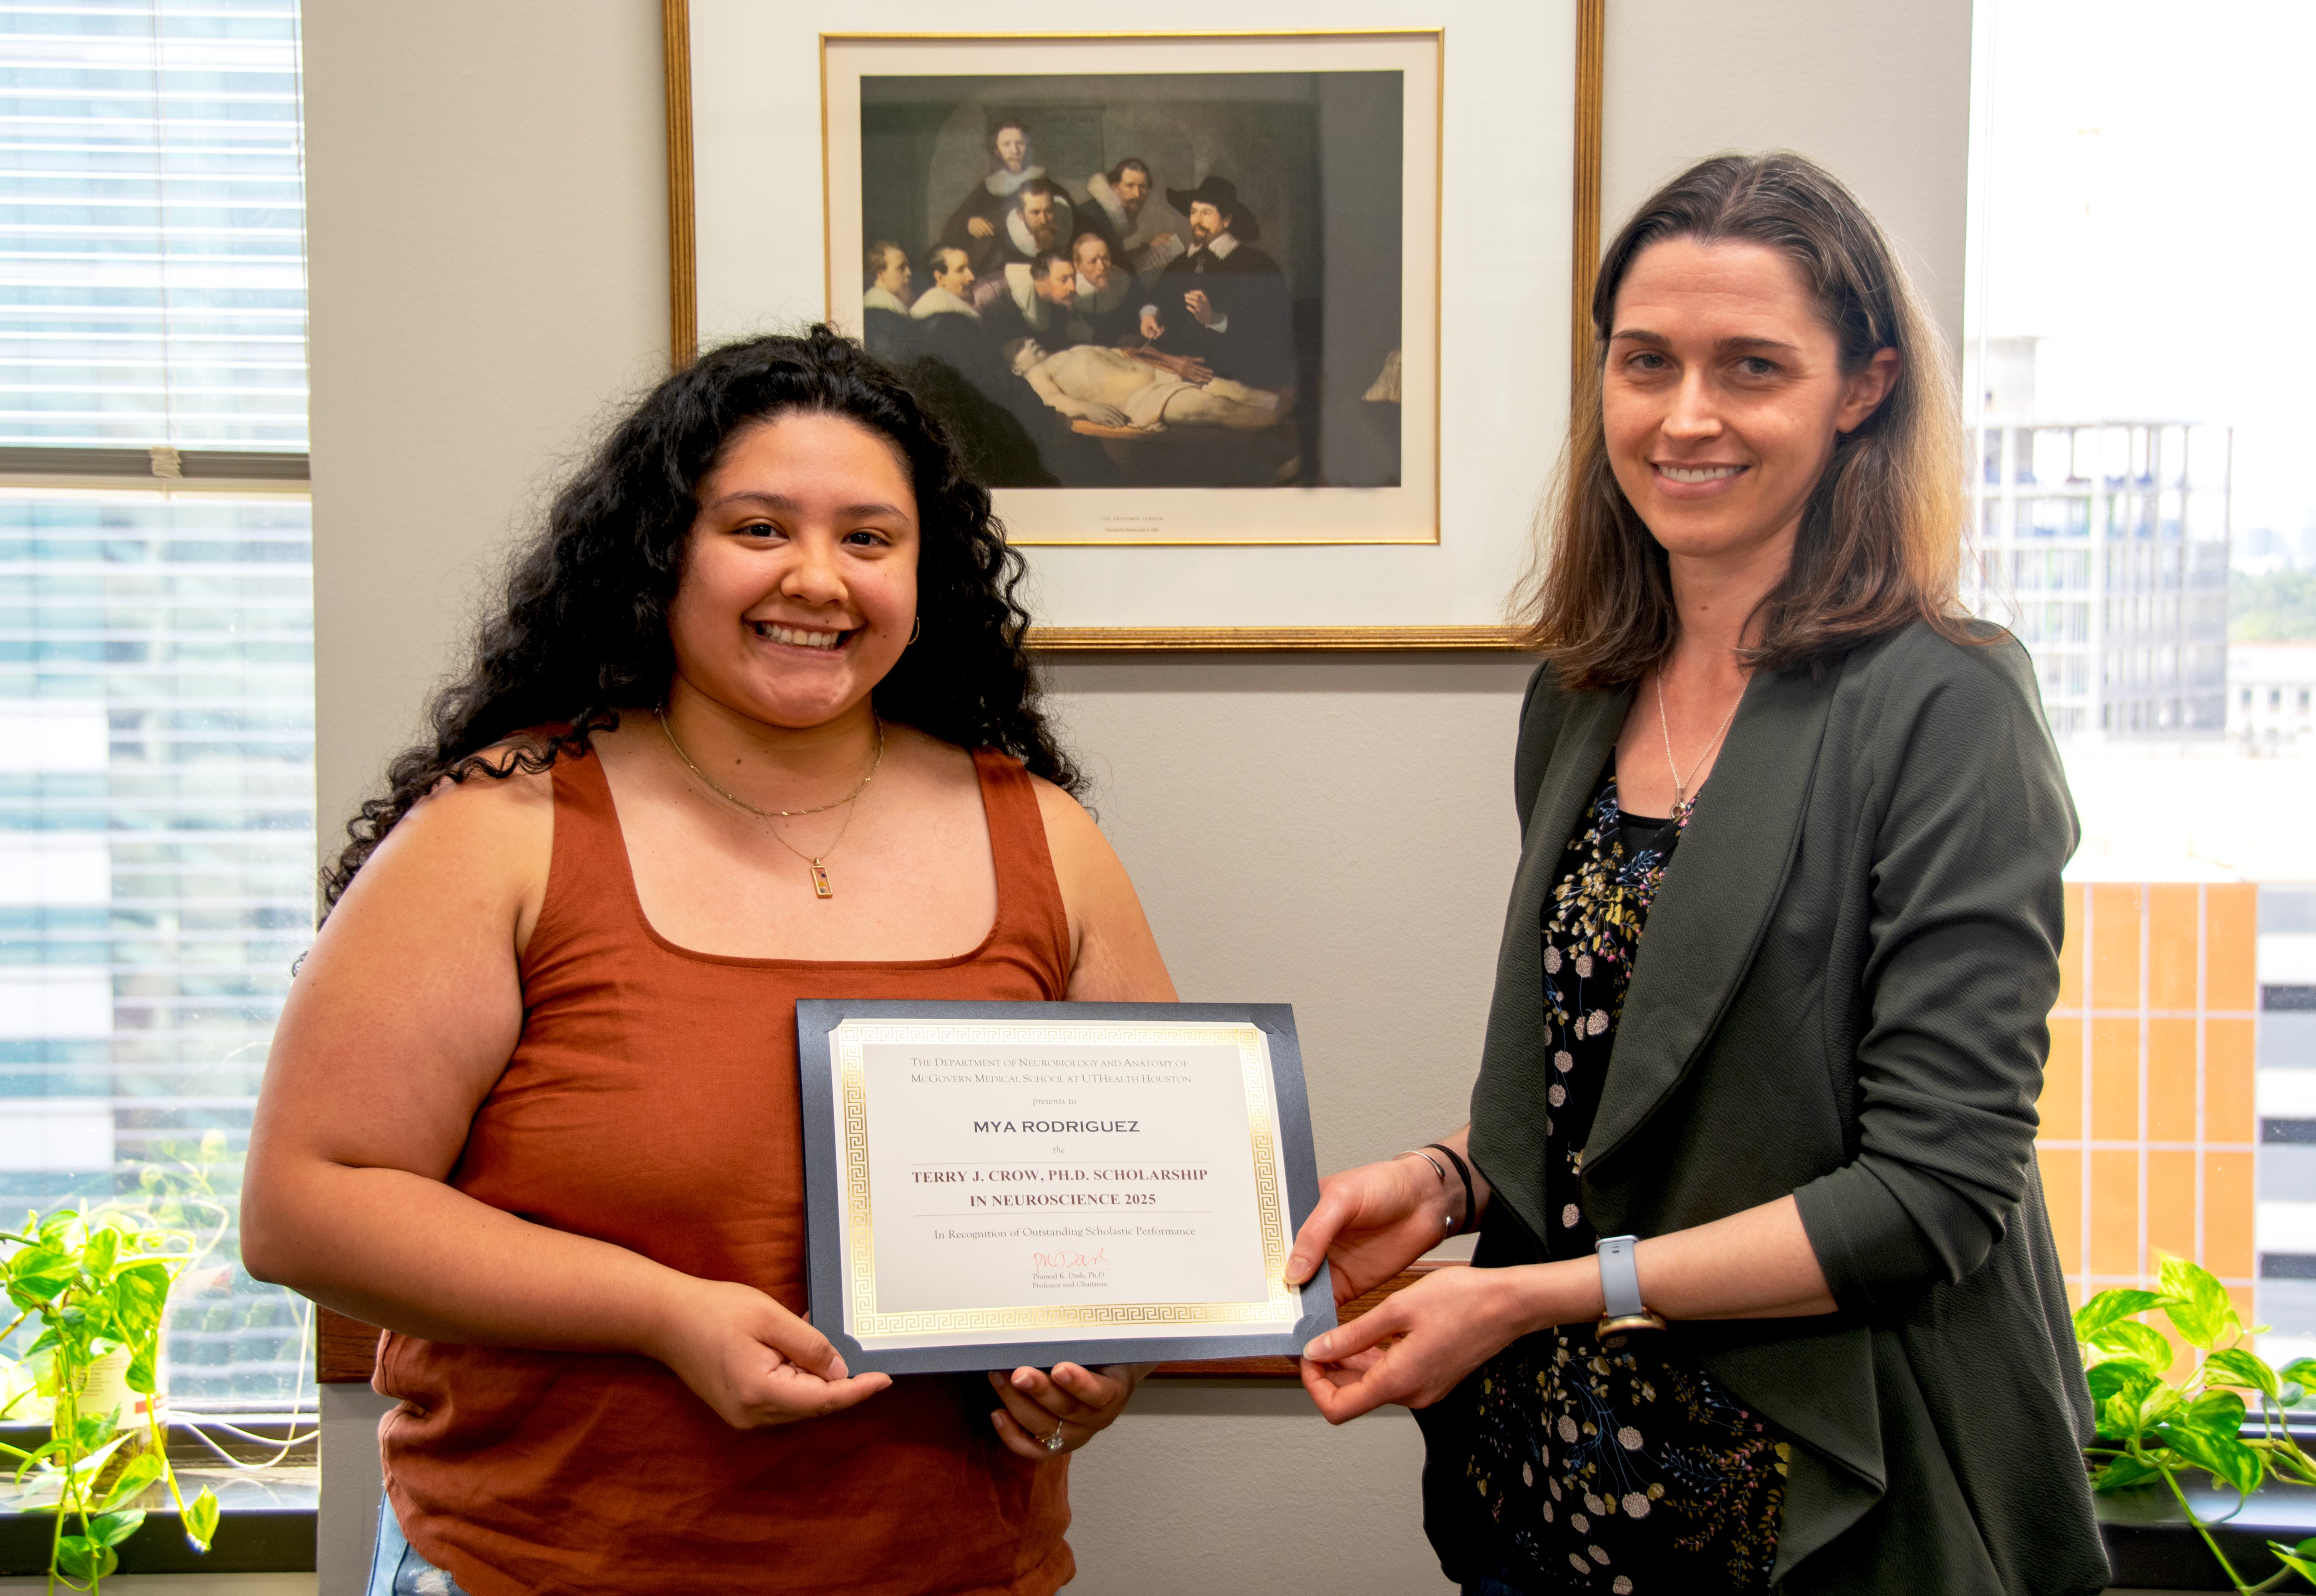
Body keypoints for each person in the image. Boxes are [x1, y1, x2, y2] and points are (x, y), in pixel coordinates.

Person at [241, 329, 1177, 1596]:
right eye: (756, 528)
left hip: (953, 1573)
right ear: (661, 553)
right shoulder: (498, 831)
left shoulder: (1045, 840)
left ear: (923, 571)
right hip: (543, 1568)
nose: (816, 579)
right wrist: (660, 1312)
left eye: (866, 537)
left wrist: (1097, 1367)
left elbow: (1154, 1229)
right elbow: (305, 1203)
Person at [1286, 152, 2107, 1596]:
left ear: (1862, 388)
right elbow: (1637, 1074)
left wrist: (1541, 1294)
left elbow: (1932, 1193)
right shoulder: (1583, 692)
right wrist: (1451, 1184)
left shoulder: (1948, 704)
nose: (1687, 416)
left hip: (1827, 1489)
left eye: (1753, 366)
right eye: (1646, 361)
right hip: (1574, 1483)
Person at [1139, 175, 1292, 392]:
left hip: (1234, 375)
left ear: (1227, 220)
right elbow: (1157, 297)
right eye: (1193, 212)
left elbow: (1272, 327)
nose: (1196, 221)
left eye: (1206, 213)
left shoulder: (1256, 264)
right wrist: (1149, 315)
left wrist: (1214, 319)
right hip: (1178, 368)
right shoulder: (1182, 262)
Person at [1002, 335, 1279, 432]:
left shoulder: (1072, 351)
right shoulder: (1037, 374)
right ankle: (1292, 428)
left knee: (1239, 390)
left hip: (1162, 376)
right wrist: (1089, 410)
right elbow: (1054, 400)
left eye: (1027, 338)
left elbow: (1130, 354)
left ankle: (1292, 413)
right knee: (1217, 405)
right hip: (1141, 400)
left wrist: (1170, 361)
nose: (1028, 342)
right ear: (1017, 369)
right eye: (1020, 346)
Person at [943, 121, 1072, 278]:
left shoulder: (1044, 182)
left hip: (1040, 262)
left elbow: (1070, 220)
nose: (1015, 151)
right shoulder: (988, 187)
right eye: (1007, 145)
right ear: (997, 151)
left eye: (1020, 144)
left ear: (1028, 147)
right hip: (998, 266)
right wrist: (969, 224)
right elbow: (951, 229)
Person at [1077, 157, 1185, 280]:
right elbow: (1110, 269)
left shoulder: (1111, 216)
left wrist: (1149, 247)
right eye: (1130, 186)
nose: (1137, 194)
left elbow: (1115, 258)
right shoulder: (1095, 217)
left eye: (1142, 187)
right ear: (1115, 187)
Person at [1066, 232, 1138, 345]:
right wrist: (1116, 341)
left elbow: (1139, 308)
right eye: (1093, 262)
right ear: (1078, 266)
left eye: (1105, 258)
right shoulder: (1069, 294)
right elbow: (1075, 333)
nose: (1102, 267)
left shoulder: (1123, 279)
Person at [860, 240, 915, 360]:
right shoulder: (881, 316)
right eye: (901, 268)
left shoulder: (893, 311)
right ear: (881, 274)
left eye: (908, 267)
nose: (909, 273)